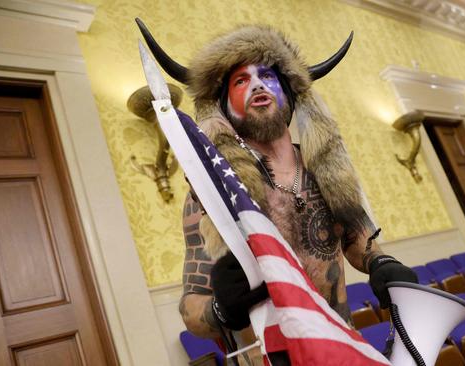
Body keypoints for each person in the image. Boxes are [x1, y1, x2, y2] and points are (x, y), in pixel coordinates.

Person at [137, 21, 418, 364]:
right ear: (224, 106)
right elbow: (191, 307)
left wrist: (381, 263)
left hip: (340, 350)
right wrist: (220, 310)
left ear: (290, 94)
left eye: (267, 76)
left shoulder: (326, 172)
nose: (257, 84)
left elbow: (358, 243)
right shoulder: (214, 192)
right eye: (241, 80)